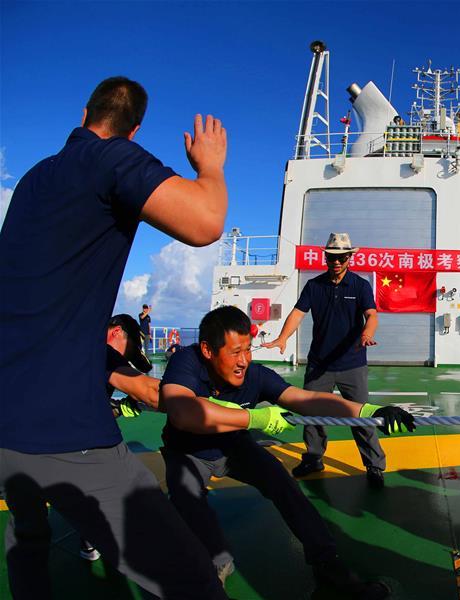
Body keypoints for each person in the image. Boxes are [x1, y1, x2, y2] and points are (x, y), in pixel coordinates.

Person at [0, 76, 229, 598]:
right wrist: (209, 165)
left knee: (29, 543)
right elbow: (205, 222)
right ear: (134, 131)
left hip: (5, 412)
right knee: (192, 582)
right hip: (62, 426)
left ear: (84, 112)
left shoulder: (37, 176)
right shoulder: (111, 159)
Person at [160, 305, 414, 595]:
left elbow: (305, 400)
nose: (244, 361)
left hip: (233, 445)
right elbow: (182, 412)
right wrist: (254, 418)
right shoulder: (186, 362)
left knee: (284, 485)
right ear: (207, 350)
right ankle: (215, 564)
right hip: (188, 451)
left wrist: (368, 410)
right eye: (235, 352)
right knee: (186, 500)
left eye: (248, 350)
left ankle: (328, 567)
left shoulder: (256, 376)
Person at [265, 232, 387, 488]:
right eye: (332, 257)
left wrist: (367, 332)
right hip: (319, 365)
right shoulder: (315, 286)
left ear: (349, 258)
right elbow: (298, 314)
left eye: (342, 257)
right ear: (325, 258)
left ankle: (374, 466)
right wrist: (282, 337)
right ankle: (313, 458)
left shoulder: (360, 285)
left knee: (361, 417)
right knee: (312, 415)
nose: (337, 262)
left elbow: (372, 315)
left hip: (352, 364)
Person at [80, 314, 161, 563]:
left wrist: (117, 407)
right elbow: (150, 391)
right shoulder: (100, 351)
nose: (123, 360)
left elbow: (84, 401)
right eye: (126, 353)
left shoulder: (74, 348)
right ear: (116, 332)